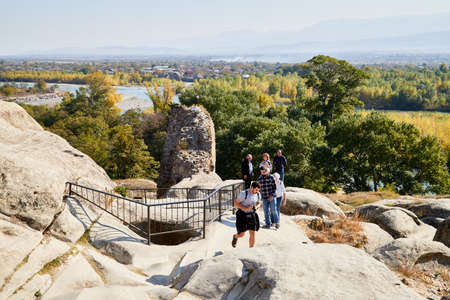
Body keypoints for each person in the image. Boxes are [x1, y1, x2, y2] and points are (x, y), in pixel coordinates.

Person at [232, 181, 261, 248]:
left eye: (258, 190)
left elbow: (259, 203)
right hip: (242, 214)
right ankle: (235, 237)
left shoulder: (258, 194)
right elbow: (235, 204)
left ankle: (251, 250)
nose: (257, 191)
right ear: (251, 187)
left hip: (252, 214)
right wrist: (246, 208)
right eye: (256, 190)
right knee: (241, 234)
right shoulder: (244, 194)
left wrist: (257, 207)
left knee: (252, 233)